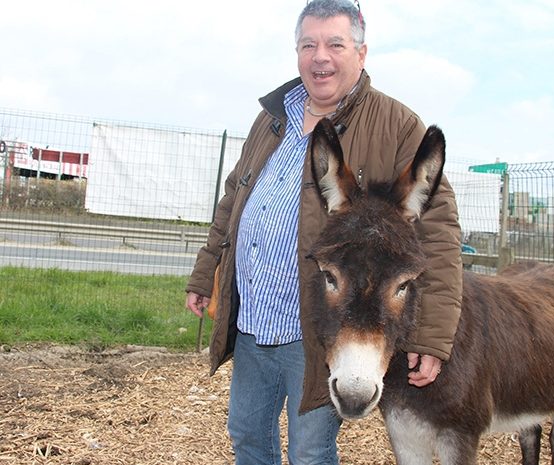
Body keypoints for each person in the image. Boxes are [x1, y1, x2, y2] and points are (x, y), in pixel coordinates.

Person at [185, 0, 463, 463]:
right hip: (254, 320)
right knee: (247, 436)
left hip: (317, 331)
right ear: (296, 52)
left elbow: (438, 234)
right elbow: (235, 199)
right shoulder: (273, 117)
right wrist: (205, 272)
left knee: (310, 451)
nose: (321, 57)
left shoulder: (396, 125)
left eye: (335, 44)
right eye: (308, 44)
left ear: (361, 52)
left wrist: (432, 337)